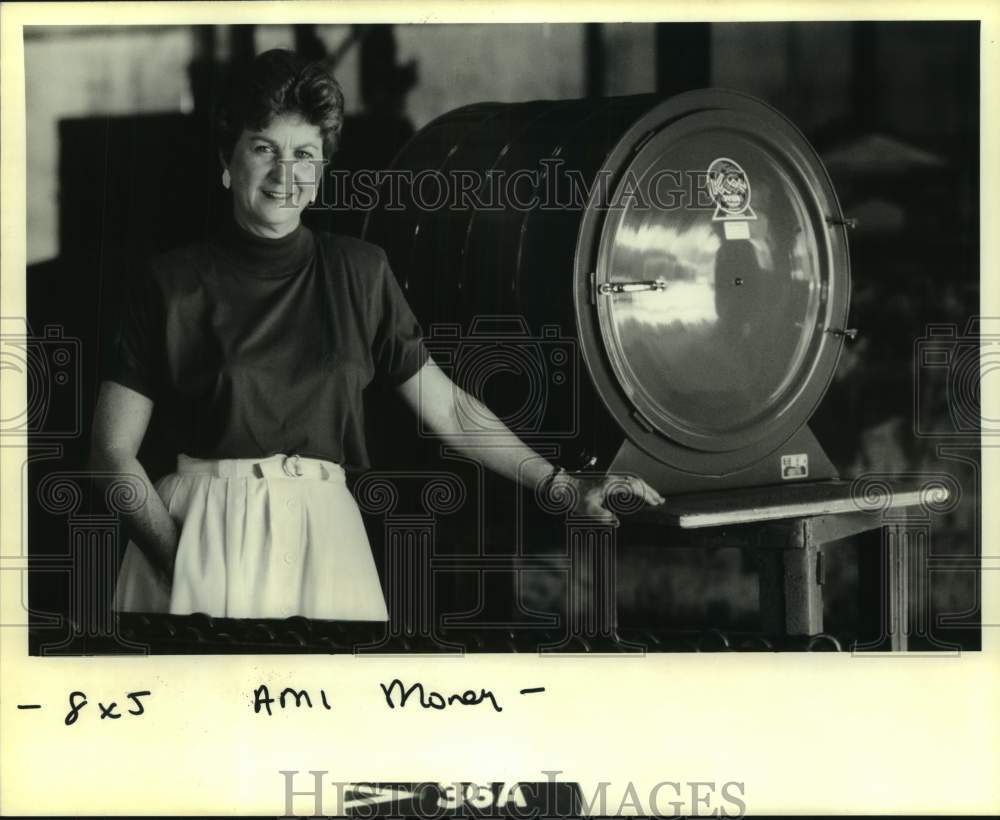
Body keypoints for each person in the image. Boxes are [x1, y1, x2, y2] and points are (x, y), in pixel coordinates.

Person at [90, 48, 663, 622]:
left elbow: (448, 408)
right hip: (201, 530)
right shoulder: (169, 284)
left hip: (326, 538)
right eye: (264, 148)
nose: (284, 174)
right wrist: (177, 557)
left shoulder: (361, 272)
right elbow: (111, 453)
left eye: (304, 154)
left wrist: (562, 486)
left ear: (321, 169)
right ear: (227, 159)